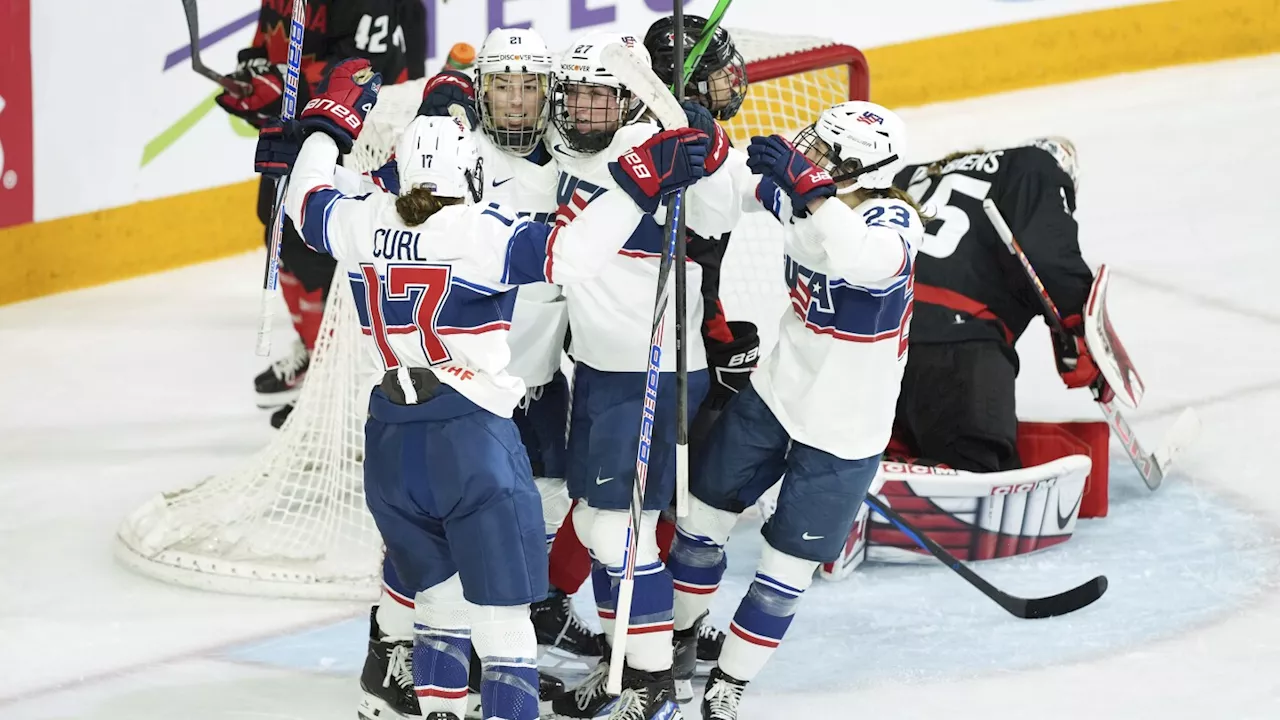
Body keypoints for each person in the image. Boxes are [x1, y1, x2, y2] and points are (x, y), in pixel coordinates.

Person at [262, 57, 711, 720]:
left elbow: (302, 202)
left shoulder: (361, 217)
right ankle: (419, 666)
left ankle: (418, 689)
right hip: (472, 434)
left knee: (441, 609)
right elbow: (577, 255)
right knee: (504, 633)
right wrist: (641, 188)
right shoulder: (480, 232)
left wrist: (326, 127)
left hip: (389, 434)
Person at [664, 101, 925, 720]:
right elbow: (738, 189)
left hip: (844, 433)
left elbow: (860, 257)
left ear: (864, 169)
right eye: (815, 147)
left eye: (830, 155)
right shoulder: (808, 191)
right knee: (699, 524)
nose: (813, 157)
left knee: (785, 571)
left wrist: (810, 190)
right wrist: (708, 147)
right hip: (776, 396)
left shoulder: (895, 218)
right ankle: (679, 639)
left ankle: (729, 683)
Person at [543, 31, 737, 720]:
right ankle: (627, 665)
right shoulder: (566, 144)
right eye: (575, 96)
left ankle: (652, 689)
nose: (584, 110)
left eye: (601, 97)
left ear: (627, 102)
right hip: (600, 371)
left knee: (617, 532)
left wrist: (703, 143)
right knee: (603, 522)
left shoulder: (654, 151)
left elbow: (720, 213)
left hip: (650, 372)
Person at [216, 0, 426, 428]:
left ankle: (344, 389)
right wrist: (254, 75)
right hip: (304, 128)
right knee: (281, 234)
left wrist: (285, 87)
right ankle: (318, 358)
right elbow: (273, 38)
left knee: (335, 259)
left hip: (362, 136)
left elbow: (364, 73)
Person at [889, 138, 1103, 472]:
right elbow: (1049, 257)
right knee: (979, 488)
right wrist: (1079, 328)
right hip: (959, 352)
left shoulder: (908, 177)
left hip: (875, 345)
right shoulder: (1035, 166)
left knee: (876, 468)